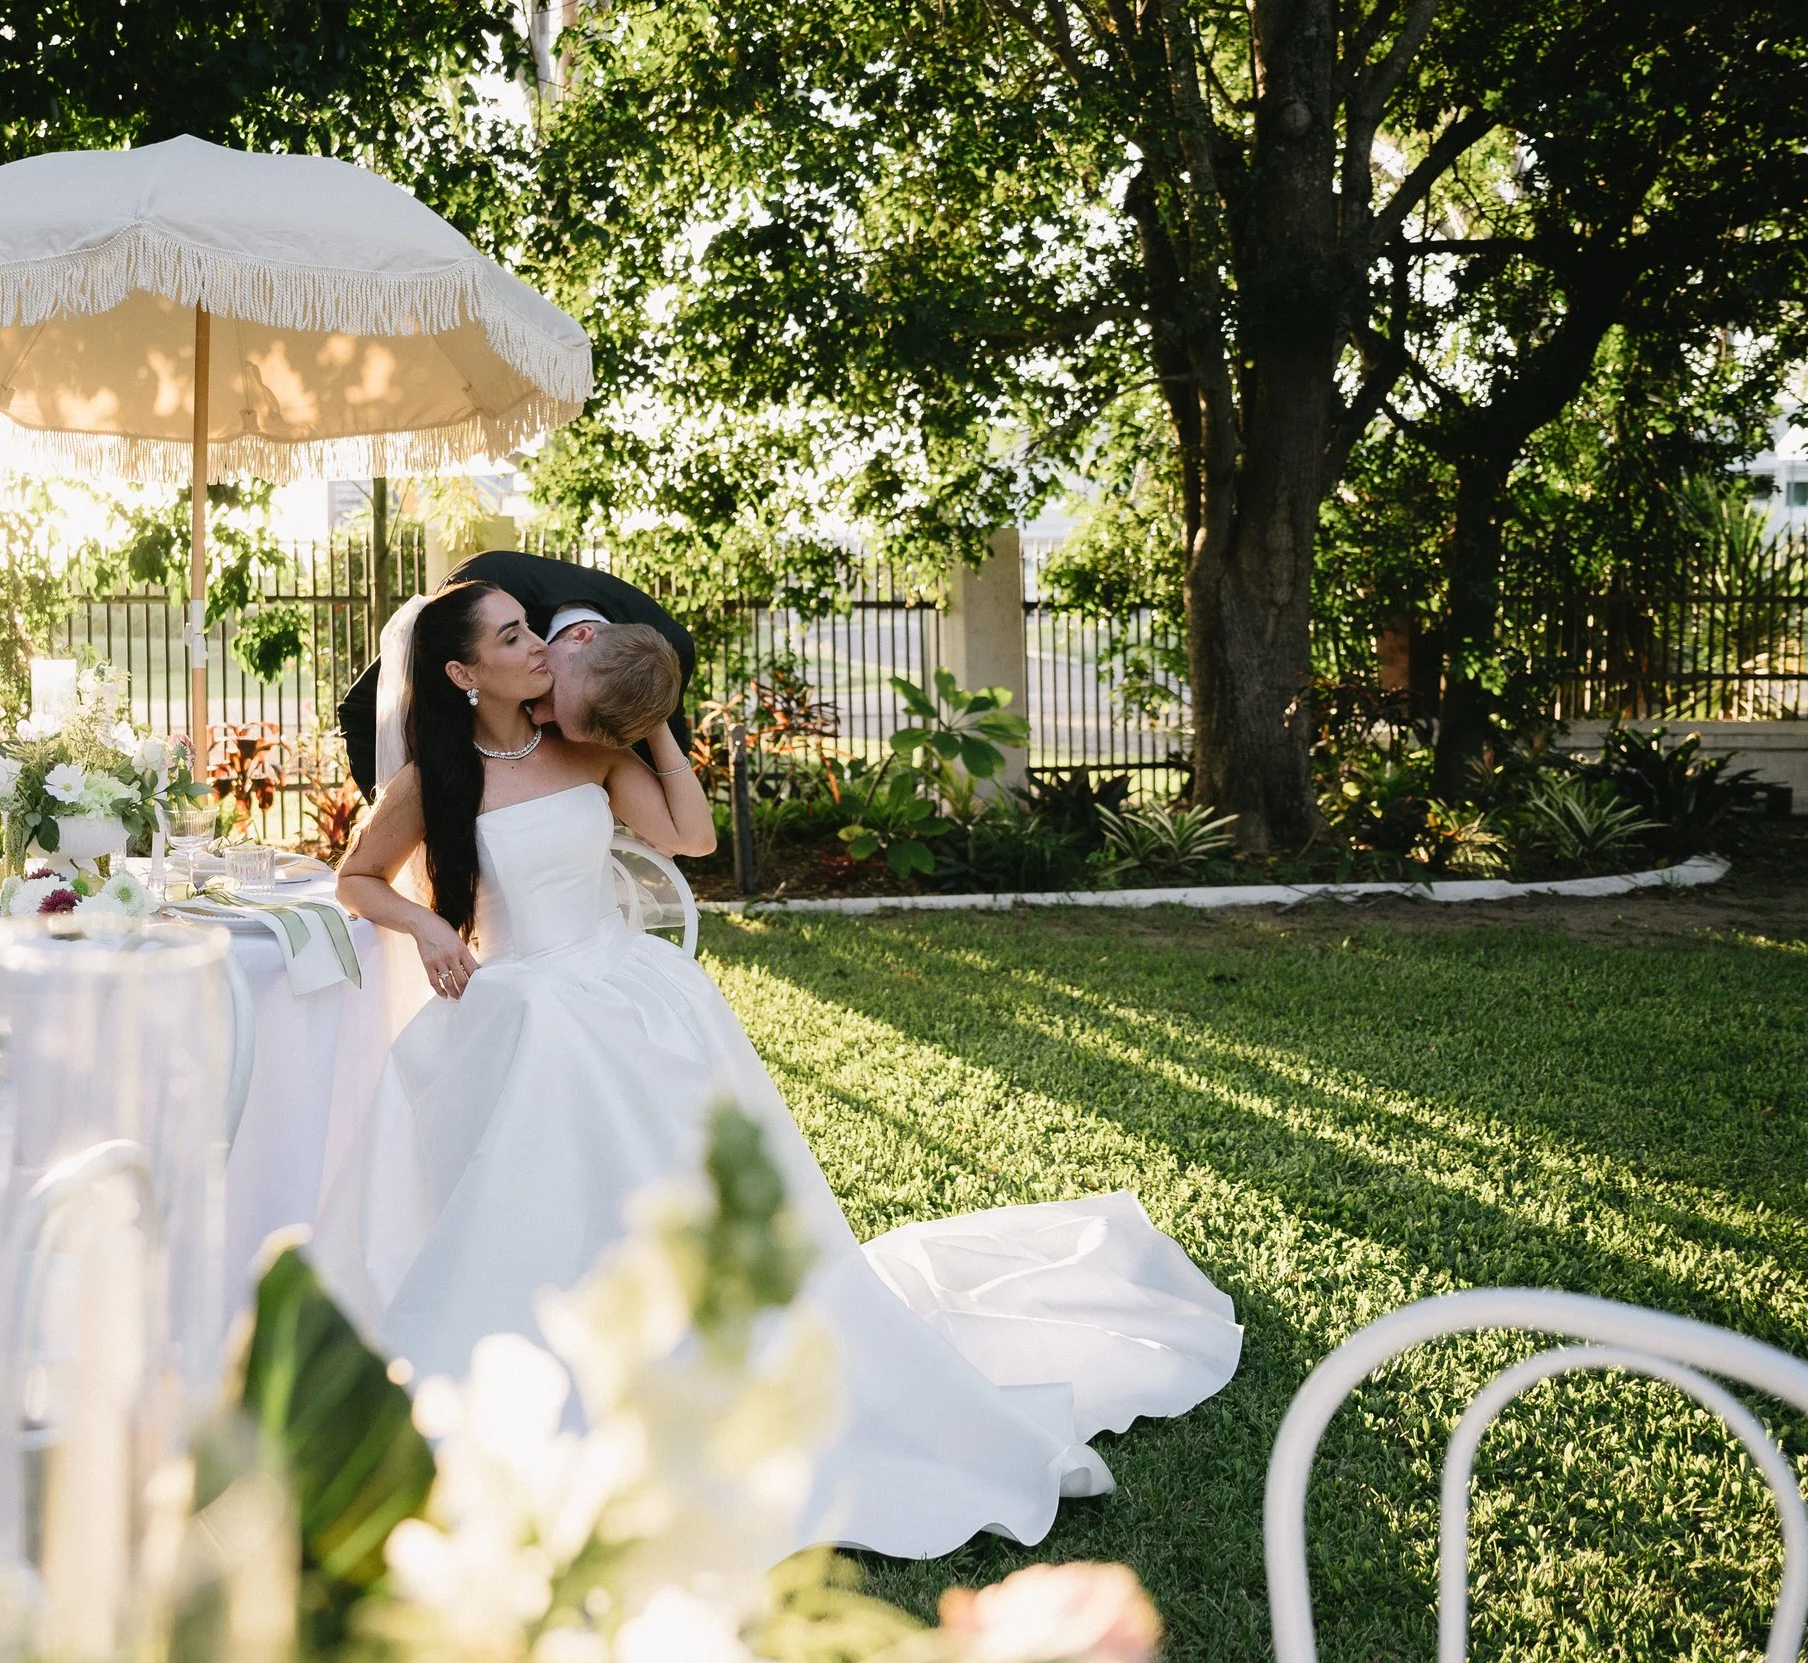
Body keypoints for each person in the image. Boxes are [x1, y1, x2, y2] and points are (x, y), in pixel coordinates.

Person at [318, 580, 1241, 1558]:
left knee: (708, 1210)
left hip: (631, 1001)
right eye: (511, 637)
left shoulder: (584, 746)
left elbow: (690, 836)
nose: (537, 644)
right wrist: (424, 924)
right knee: (538, 1214)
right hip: (526, 1017)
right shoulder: (435, 779)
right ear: (463, 673)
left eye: (528, 626)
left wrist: (653, 726)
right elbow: (356, 877)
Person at [336, 548, 695, 798]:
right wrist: (417, 833)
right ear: (581, 637)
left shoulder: (667, 657)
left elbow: (674, 813)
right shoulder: (483, 594)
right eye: (551, 696)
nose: (538, 715)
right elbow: (362, 710)